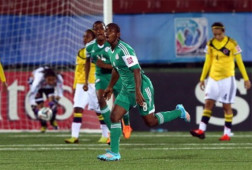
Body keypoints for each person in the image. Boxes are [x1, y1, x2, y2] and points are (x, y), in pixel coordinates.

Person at [97, 23, 190, 161]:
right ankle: (114, 153)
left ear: (118, 34)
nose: (106, 33)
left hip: (141, 87)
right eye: (106, 31)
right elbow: (116, 69)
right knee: (114, 117)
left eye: (110, 31)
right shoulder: (110, 50)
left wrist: (138, 92)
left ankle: (179, 111)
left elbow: (136, 70)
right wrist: (110, 86)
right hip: (126, 89)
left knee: (150, 122)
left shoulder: (125, 49)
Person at [190, 22, 251, 141]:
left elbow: (239, 62)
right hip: (213, 78)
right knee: (208, 103)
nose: (217, 36)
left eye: (219, 34)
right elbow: (207, 62)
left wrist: (246, 78)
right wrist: (202, 78)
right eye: (214, 34)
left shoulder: (232, 43)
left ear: (223, 31)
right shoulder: (210, 44)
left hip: (227, 79)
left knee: (226, 106)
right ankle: (201, 130)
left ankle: (227, 133)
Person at [84, 21, 132, 140]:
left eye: (102, 28)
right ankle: (112, 131)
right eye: (96, 29)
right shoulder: (89, 47)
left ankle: (127, 124)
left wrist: (104, 65)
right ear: (94, 31)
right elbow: (87, 63)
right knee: (100, 99)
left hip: (115, 76)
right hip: (101, 76)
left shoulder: (112, 45)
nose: (99, 31)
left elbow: (119, 65)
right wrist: (85, 81)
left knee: (122, 103)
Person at [65, 29, 109, 144]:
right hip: (81, 84)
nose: (84, 39)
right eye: (84, 36)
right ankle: (74, 137)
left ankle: (106, 135)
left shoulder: (98, 51)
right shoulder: (80, 52)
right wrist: (75, 85)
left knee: (99, 110)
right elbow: (78, 70)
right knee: (77, 108)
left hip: (94, 83)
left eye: (87, 37)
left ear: (94, 39)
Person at [29, 66, 63, 132]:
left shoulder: (59, 77)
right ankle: (43, 125)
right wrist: (33, 103)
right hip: (37, 88)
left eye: (53, 80)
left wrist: (58, 96)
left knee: (53, 104)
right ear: (45, 78)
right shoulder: (38, 78)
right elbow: (32, 92)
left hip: (48, 88)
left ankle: (53, 121)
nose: (51, 82)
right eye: (49, 80)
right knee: (40, 107)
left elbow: (60, 90)